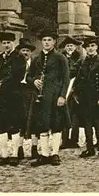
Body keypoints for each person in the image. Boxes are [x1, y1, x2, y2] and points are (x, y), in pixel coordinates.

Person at [28, 30, 70, 167]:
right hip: (41, 98)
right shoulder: (36, 59)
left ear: (54, 42)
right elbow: (28, 76)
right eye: (44, 40)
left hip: (55, 96)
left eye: (49, 40)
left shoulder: (60, 58)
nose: (46, 42)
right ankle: (45, 154)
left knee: (56, 125)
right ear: (41, 42)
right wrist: (34, 81)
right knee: (42, 125)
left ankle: (55, 154)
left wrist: (62, 96)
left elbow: (66, 78)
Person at [0, 32, 26, 167]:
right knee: (2, 124)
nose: (6, 45)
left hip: (13, 95)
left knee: (15, 124)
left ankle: (15, 155)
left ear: (13, 43)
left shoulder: (19, 58)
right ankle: (4, 155)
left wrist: (1, 83)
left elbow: (17, 75)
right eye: (4, 43)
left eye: (8, 43)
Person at [73, 36, 99, 159]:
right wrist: (75, 93)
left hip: (98, 97)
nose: (90, 49)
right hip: (85, 97)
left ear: (96, 47)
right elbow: (77, 78)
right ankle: (89, 148)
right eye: (88, 46)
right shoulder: (82, 62)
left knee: (98, 123)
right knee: (87, 124)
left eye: (92, 46)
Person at [17, 38, 40, 160]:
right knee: (21, 121)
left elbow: (38, 76)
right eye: (23, 50)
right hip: (19, 94)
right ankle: (19, 149)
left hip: (32, 94)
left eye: (27, 50)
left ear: (31, 52)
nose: (25, 53)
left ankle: (34, 149)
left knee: (34, 121)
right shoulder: (16, 63)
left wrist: (33, 81)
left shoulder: (36, 63)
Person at [59, 36, 83, 149]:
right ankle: (64, 141)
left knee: (75, 116)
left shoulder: (79, 58)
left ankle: (74, 140)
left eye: (71, 46)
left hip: (75, 90)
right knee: (63, 114)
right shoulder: (60, 57)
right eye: (67, 46)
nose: (69, 48)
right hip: (63, 89)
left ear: (75, 47)